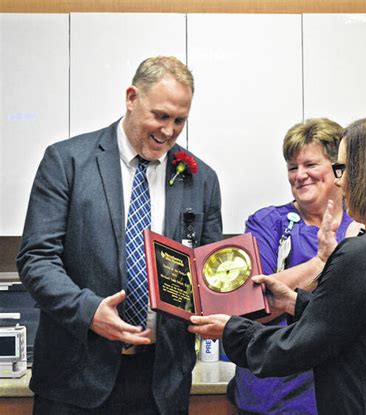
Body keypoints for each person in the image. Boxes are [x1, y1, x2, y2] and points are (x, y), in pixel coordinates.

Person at [189, 111, 366, 414]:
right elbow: (354, 323)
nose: (340, 182)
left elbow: (300, 346)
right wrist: (295, 302)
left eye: (343, 169)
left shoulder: (364, 253)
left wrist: (231, 330)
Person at [17, 56, 222, 414]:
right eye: (160, 116)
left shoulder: (201, 179)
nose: (169, 131)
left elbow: (208, 274)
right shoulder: (68, 162)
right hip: (74, 380)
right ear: (131, 98)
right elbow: (36, 259)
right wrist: (88, 310)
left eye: (180, 120)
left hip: (161, 383)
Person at [228, 118, 361, 414]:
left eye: (311, 165)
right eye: (292, 167)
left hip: (337, 390)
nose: (299, 175)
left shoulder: (363, 227)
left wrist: (288, 288)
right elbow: (253, 307)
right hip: (273, 389)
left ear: (338, 168)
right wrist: (321, 263)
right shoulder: (267, 223)